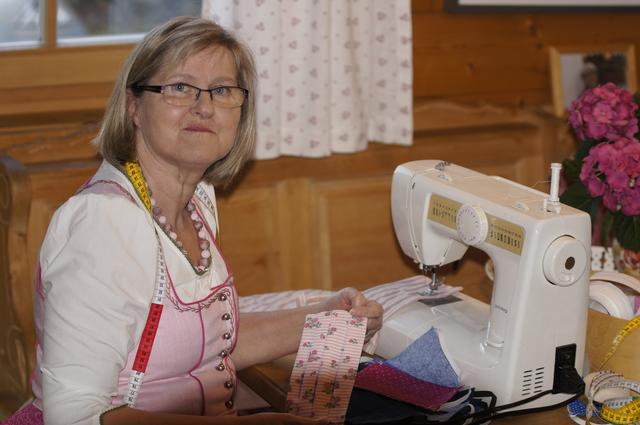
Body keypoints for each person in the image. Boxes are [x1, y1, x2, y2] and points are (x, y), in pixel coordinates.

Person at [4, 16, 383, 425]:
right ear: (134, 105)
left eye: (221, 91)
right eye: (180, 87)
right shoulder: (103, 223)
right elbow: (74, 417)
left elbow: (204, 346)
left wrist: (325, 316)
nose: (204, 106)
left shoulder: (197, 201)